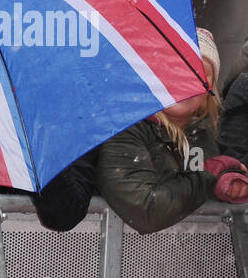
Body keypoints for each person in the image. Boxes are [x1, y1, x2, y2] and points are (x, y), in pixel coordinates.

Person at [96, 28, 248, 232]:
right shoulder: (124, 129)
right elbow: (146, 210)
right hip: (121, 258)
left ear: (210, 88)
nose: (188, 82)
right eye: (178, 69)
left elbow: (195, 195)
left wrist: (226, 186)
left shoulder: (203, 134)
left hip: (184, 260)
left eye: (201, 73)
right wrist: (209, 174)